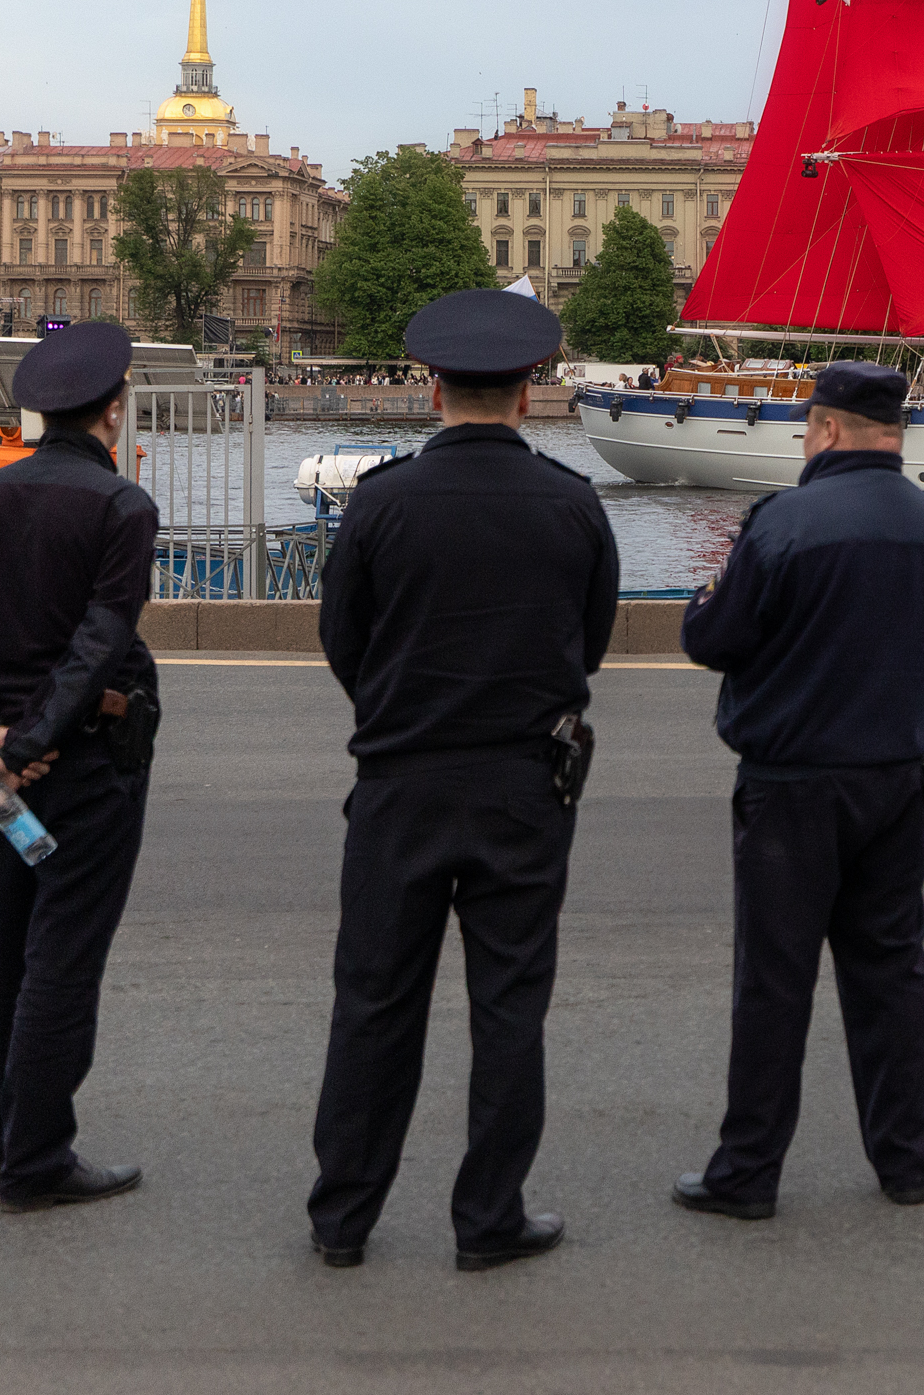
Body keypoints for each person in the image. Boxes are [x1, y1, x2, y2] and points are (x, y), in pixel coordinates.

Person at [307, 288, 619, 1272]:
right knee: (509, 1005)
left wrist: (399, 707)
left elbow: (342, 639)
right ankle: (489, 1217)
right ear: (529, 392)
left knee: (373, 1002)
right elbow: (591, 640)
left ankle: (343, 1215)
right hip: (524, 785)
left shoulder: (381, 500)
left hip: (400, 781)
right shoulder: (572, 504)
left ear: (429, 387)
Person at [672, 360, 924, 1220]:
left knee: (774, 980)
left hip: (792, 785)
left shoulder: (784, 521)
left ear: (829, 429)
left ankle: (748, 1173)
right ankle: (909, 1160)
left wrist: (706, 606)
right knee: (890, 973)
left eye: (808, 429)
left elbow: (715, 639)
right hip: (896, 783)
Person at [0, 320, 160, 1215]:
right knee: (63, 957)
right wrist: (38, 741)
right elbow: (101, 641)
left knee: (1, 949)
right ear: (112, 409)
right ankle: (39, 1158)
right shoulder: (121, 509)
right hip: (82, 769)